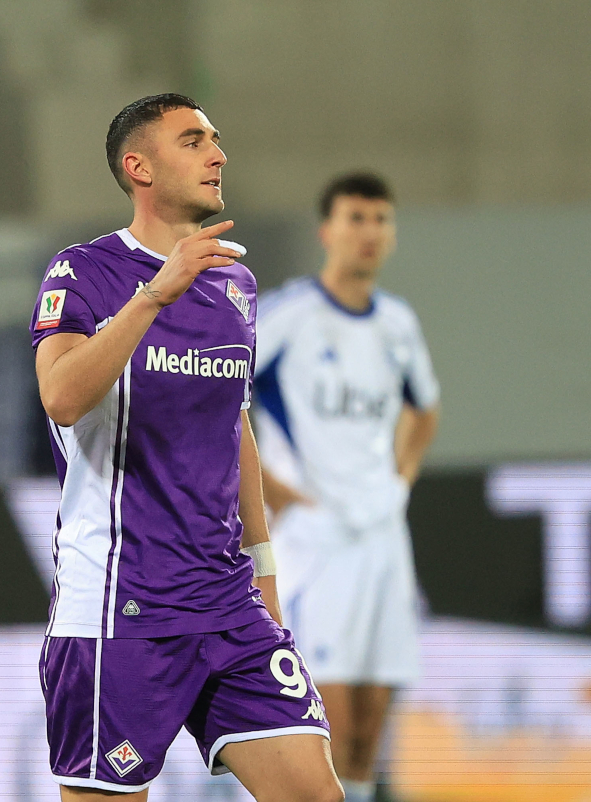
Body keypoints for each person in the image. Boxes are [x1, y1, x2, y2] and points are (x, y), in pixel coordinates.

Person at [30, 93, 343, 802]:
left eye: (216, 140)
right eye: (193, 140)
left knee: (317, 796)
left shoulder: (234, 282)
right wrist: (151, 297)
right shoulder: (81, 273)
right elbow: (61, 398)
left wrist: (266, 583)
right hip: (119, 612)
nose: (218, 154)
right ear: (138, 166)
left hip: (229, 605)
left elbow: (234, 431)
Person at [252, 172, 441, 802]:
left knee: (368, 727)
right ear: (326, 230)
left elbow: (426, 409)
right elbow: (217, 390)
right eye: (355, 218)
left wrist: (400, 478)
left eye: (380, 219)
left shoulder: (397, 322)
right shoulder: (290, 315)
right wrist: (267, 485)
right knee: (321, 722)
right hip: (316, 538)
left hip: (383, 536)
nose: (368, 232)